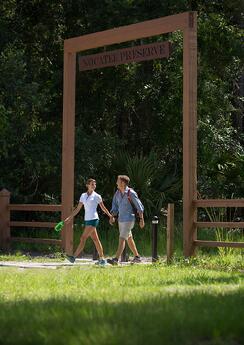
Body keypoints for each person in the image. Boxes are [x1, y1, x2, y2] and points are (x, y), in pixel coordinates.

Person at [64, 178, 113, 265]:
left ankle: (73, 257)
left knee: (83, 238)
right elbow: (78, 209)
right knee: (95, 240)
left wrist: (110, 216)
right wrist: (70, 217)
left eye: (95, 184)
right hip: (87, 220)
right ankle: (102, 259)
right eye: (92, 184)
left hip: (94, 219)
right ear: (87, 185)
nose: (94, 186)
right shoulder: (83, 195)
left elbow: (103, 208)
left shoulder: (97, 196)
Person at [107, 175, 145, 265]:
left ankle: (116, 259)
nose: (116, 183)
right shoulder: (117, 193)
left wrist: (141, 219)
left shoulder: (131, 193)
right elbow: (115, 207)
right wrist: (112, 216)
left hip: (129, 219)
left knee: (122, 238)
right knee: (129, 238)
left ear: (123, 183)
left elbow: (139, 207)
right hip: (121, 219)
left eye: (118, 181)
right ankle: (137, 257)